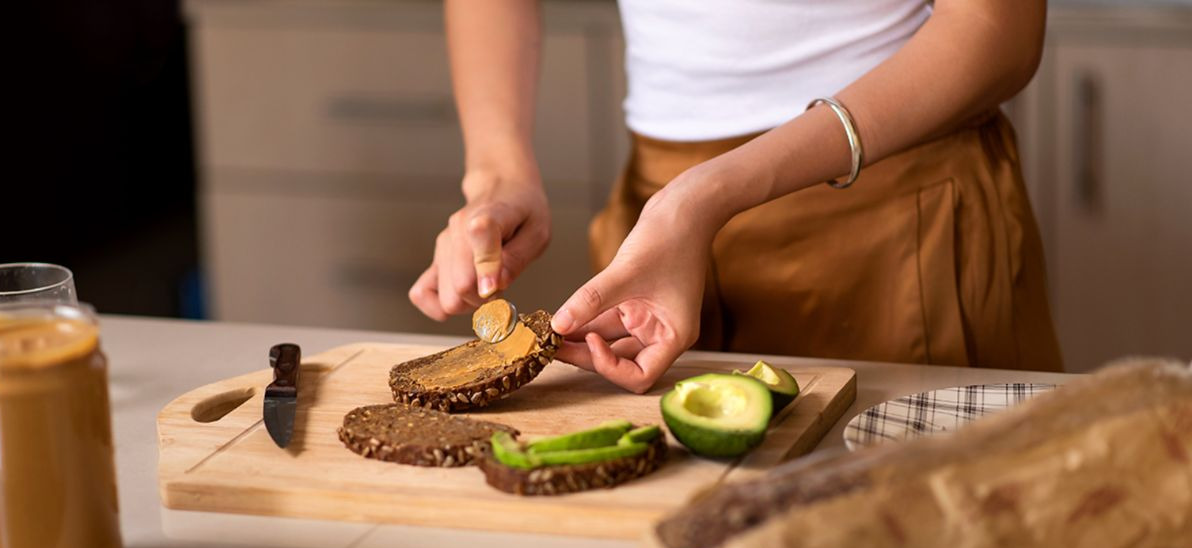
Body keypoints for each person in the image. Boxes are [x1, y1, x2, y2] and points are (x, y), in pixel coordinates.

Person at [410, 0, 1063, 393]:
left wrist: (703, 196)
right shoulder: (673, 209)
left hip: (903, 213)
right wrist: (498, 170)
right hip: (663, 216)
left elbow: (996, 29)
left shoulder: (689, 204)